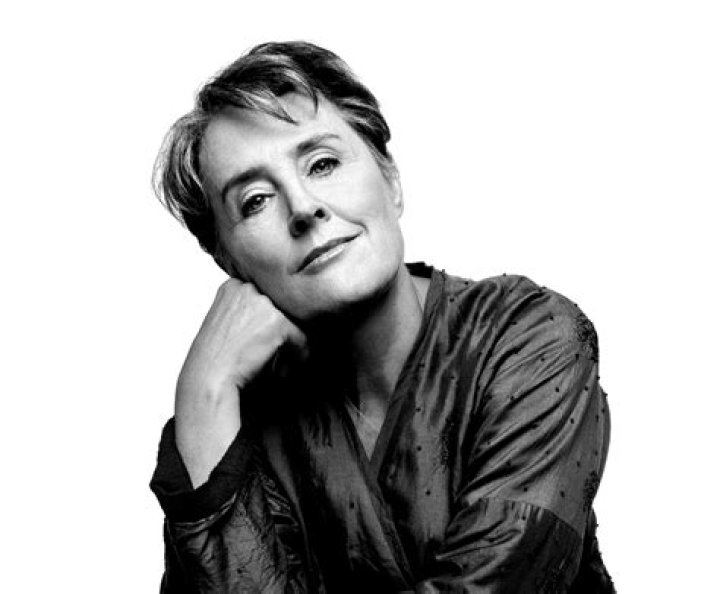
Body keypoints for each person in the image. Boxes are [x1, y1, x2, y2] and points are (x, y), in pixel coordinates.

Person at [149, 41, 614, 593]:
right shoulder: (231, 421)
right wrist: (202, 395)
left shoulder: (528, 337)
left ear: (390, 180)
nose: (304, 207)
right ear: (231, 263)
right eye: (255, 200)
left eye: (323, 164)